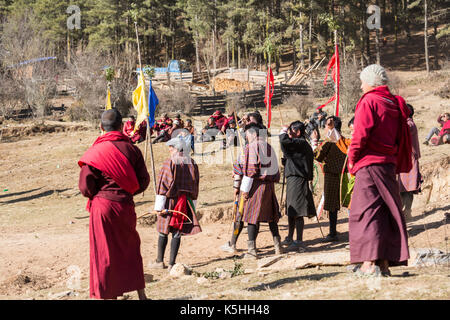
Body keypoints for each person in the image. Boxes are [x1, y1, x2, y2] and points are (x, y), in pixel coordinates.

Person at [78, 108, 149, 300]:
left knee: (104, 252)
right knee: (130, 247)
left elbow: (85, 187)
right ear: (121, 127)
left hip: (102, 207)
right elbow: (143, 181)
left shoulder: (94, 152)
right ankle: (141, 294)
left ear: (101, 127)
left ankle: (108, 295)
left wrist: (100, 194)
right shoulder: (132, 150)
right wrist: (125, 191)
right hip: (125, 205)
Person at [348, 64, 411, 277]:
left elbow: (360, 137)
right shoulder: (393, 102)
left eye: (362, 82)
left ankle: (369, 263)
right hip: (388, 165)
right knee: (385, 212)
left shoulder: (369, 101)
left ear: (371, 83)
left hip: (369, 164)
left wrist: (351, 160)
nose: (361, 86)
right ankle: (384, 263)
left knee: (366, 213)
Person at [149, 138, 201, 270]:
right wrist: (193, 204)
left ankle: (159, 261)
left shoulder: (170, 162)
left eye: (171, 148)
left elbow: (163, 184)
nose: (169, 150)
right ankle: (172, 263)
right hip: (185, 202)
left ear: (177, 148)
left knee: (163, 230)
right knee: (177, 232)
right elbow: (195, 186)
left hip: (169, 201)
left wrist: (159, 207)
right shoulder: (192, 163)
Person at [239, 122, 282, 259]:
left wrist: (244, 190)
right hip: (269, 186)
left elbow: (250, 171)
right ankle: (278, 246)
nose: (246, 137)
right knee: (271, 218)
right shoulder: (269, 146)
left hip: (256, 185)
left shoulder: (252, 147)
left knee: (252, 217)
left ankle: (252, 251)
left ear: (253, 134)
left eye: (247, 134)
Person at [279, 121, 316, 251]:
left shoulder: (301, 143)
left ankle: (299, 240)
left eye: (291, 131)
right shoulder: (299, 144)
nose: (289, 133)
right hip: (293, 178)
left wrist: (283, 131)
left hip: (298, 179)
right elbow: (290, 152)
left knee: (298, 211)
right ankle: (290, 236)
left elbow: (284, 142)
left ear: (298, 132)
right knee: (291, 210)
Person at [314, 116, 347, 242]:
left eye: (327, 125)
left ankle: (332, 232)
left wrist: (314, 142)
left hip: (332, 175)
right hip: (345, 174)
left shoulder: (330, 141)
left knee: (332, 205)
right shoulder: (343, 140)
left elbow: (317, 156)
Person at [398, 104, 422, 222]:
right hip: (406, 160)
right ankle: (405, 212)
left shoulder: (409, 124)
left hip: (409, 161)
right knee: (403, 188)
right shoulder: (407, 123)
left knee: (408, 188)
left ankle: (407, 212)